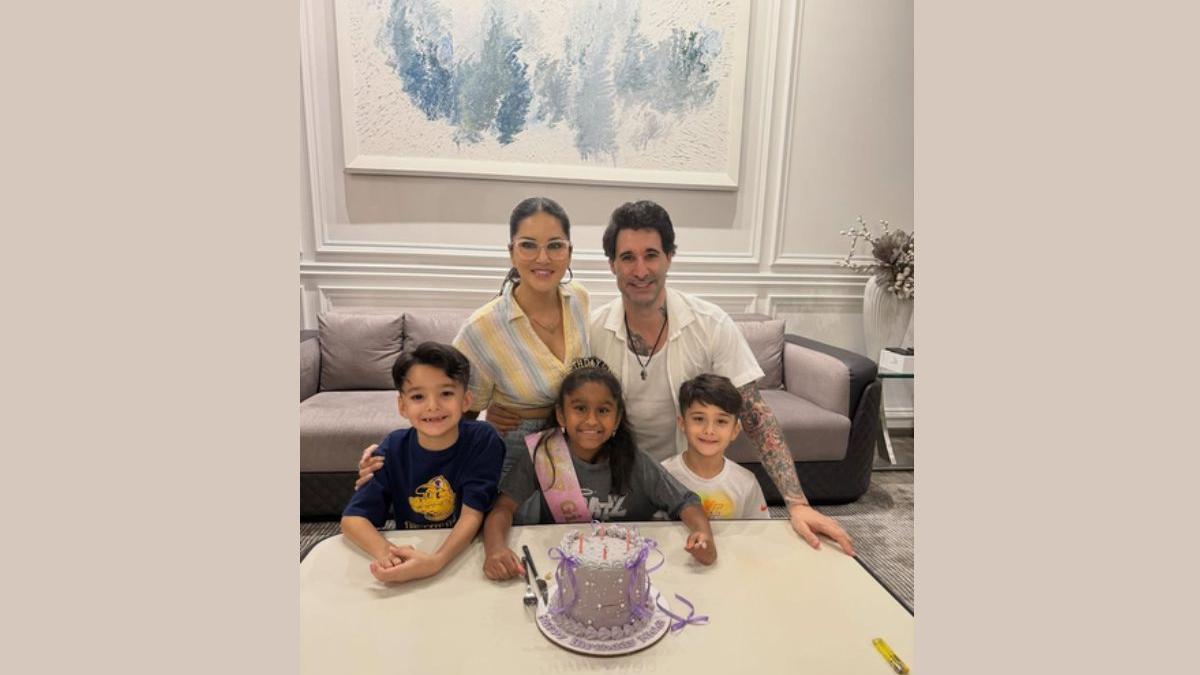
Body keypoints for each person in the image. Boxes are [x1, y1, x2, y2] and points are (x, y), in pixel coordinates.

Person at [587, 200, 855, 555]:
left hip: (691, 483)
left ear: (669, 257)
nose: (640, 270)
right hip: (617, 485)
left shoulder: (710, 324)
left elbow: (754, 413)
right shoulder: (592, 330)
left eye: (651, 255)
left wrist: (797, 502)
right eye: (627, 257)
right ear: (612, 264)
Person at [354, 196, 589, 523]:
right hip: (514, 455)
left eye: (555, 245)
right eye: (528, 245)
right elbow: (446, 408)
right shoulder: (482, 328)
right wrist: (389, 457)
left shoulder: (579, 299)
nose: (542, 257)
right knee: (517, 543)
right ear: (511, 252)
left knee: (574, 542)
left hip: (577, 442)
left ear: (570, 251)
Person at [480, 357, 716, 581]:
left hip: (629, 572)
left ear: (617, 418)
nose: (591, 420)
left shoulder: (635, 461)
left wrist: (703, 534)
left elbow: (685, 502)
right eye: (580, 408)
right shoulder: (545, 455)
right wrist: (495, 549)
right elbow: (503, 508)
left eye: (603, 410)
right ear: (561, 415)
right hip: (562, 569)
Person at [340, 342, 505, 585]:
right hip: (414, 551)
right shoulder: (392, 448)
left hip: (468, 555)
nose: (433, 406)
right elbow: (352, 520)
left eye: (446, 393)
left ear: (466, 400)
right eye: (418, 396)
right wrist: (389, 555)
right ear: (402, 406)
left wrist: (436, 562)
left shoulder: (483, 440)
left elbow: (472, 514)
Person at [661, 374, 770, 520]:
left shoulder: (746, 483)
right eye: (699, 419)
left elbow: (760, 529)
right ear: (682, 424)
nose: (709, 430)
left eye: (721, 421)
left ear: (735, 431)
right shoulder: (662, 477)